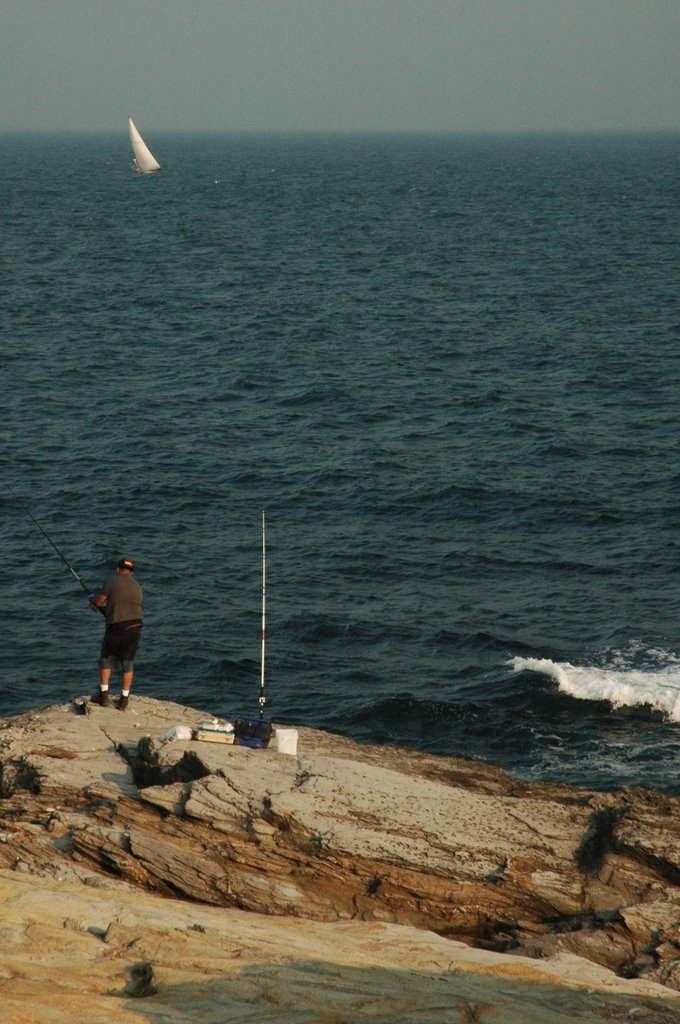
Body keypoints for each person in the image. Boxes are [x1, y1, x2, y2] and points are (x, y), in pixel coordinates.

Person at [90, 558, 143, 710]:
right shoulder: (137, 586)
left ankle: (104, 696)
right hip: (135, 626)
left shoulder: (111, 582)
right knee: (128, 662)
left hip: (116, 627)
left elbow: (99, 603)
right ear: (131, 572)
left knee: (106, 659)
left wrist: (92, 600)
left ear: (117, 569)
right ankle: (124, 699)